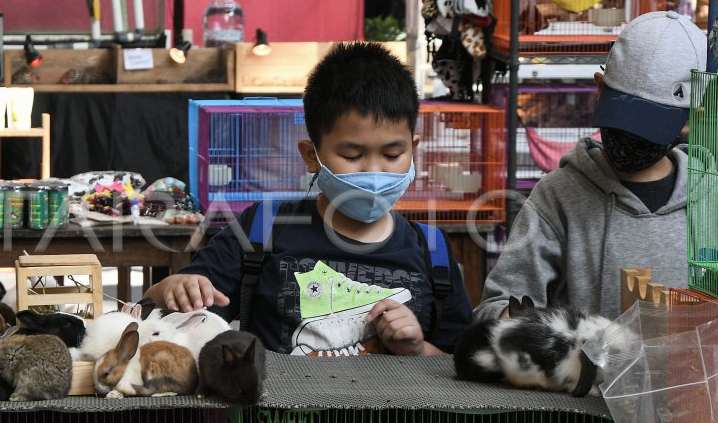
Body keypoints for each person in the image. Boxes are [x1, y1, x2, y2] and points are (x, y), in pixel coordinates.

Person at [144, 41, 473, 357]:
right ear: (311, 155)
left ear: (413, 149)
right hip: (277, 415)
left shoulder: (434, 253)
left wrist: (417, 350)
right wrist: (169, 288)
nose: (374, 172)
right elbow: (166, 308)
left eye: (392, 154)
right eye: (352, 154)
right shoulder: (261, 229)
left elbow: (459, 368)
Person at [473, 10, 716, 322]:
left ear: (690, 118)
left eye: (647, 126)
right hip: (583, 370)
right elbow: (493, 308)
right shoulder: (558, 195)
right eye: (622, 120)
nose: (630, 137)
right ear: (599, 89)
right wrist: (507, 321)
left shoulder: (715, 201)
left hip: (693, 370)